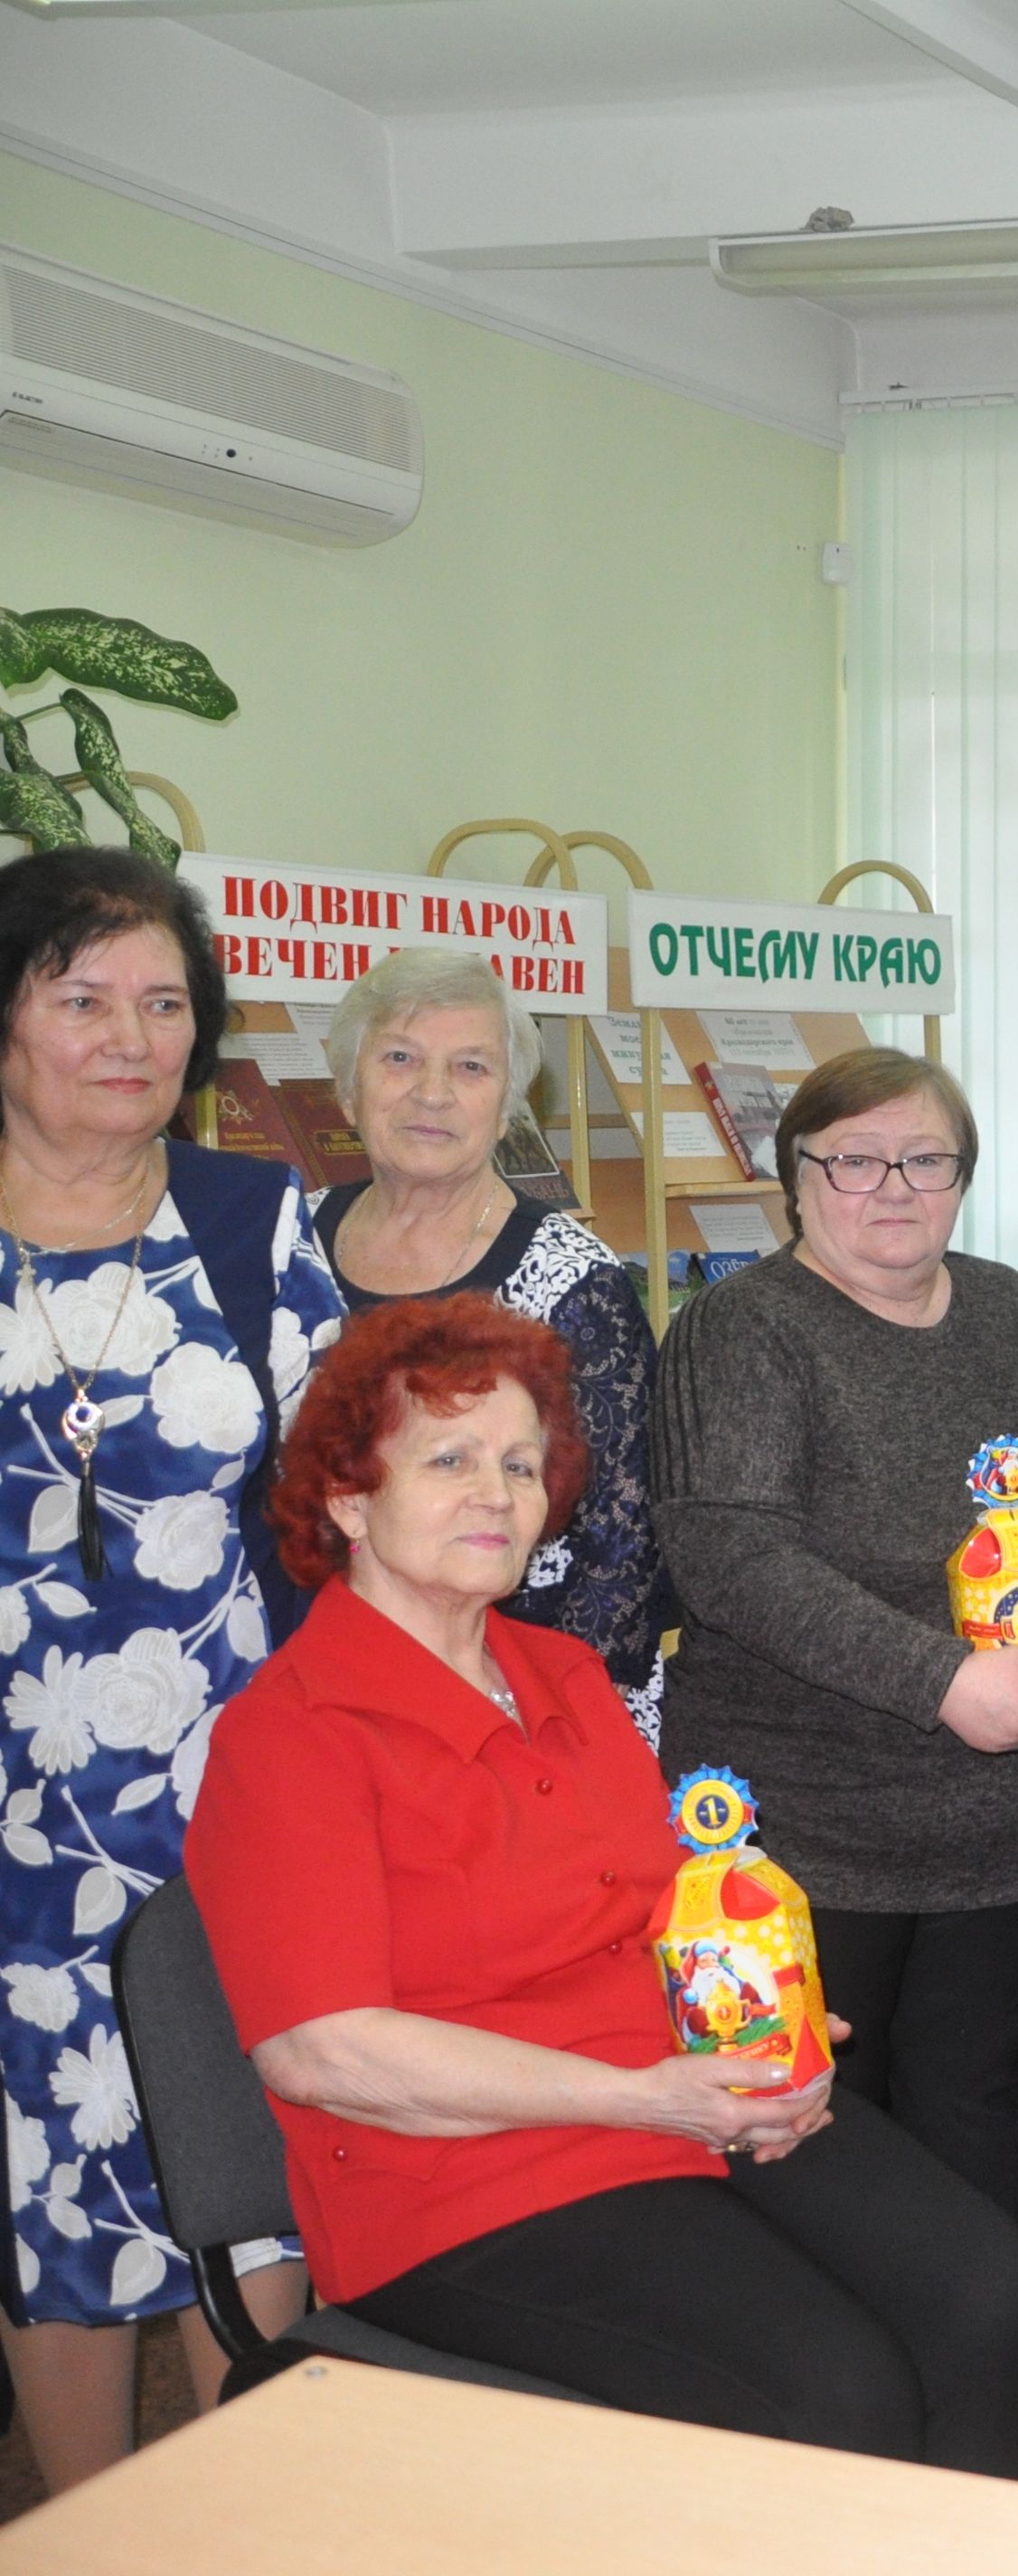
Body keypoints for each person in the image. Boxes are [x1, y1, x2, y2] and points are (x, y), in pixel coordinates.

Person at [186, 1296, 1018, 2477]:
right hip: (466, 2183)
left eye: (519, 1463)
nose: (496, 1492)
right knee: (831, 2392)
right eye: (448, 1460)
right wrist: (648, 2098)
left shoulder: (564, 1675)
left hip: (689, 2103)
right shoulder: (291, 1736)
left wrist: (776, 2027)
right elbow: (324, 2052)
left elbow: (661, 1918)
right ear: (348, 1496)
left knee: (991, 2299)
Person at [0, 849, 342, 2486]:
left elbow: (344, 1505)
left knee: (242, 2172)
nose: (131, 1037)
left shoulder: (250, 1219)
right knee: (45, 2174)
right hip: (16, 1814)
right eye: (83, 999)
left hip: (228, 1791)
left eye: (162, 1002)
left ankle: (240, 2524)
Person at [648, 1045, 1018, 2231]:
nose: (893, 1188)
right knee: (815, 2130)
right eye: (854, 1160)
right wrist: (942, 1679)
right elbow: (731, 1560)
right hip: (807, 1831)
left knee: (980, 2109)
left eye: (926, 1160)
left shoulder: (1002, 1307)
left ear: (963, 1177)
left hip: (992, 1826)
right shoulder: (739, 1329)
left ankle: (986, 2340)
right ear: (796, 1179)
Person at [316, 943, 668, 1700]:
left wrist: (532, 1717)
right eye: (400, 1058)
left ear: (508, 1107)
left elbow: (622, 1556)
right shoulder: (289, 1245)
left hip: (513, 1691)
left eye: (470, 1067)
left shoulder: (577, 1284)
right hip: (307, 1667)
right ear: (347, 1088)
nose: (432, 1094)